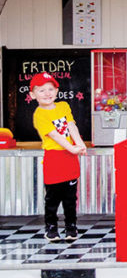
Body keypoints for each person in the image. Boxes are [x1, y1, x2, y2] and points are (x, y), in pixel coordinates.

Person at [30, 72, 87, 242]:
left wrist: (80, 144)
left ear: (56, 91)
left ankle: (71, 227)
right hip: (54, 158)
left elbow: (71, 126)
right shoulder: (39, 114)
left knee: (70, 197)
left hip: (70, 159)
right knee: (53, 198)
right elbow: (55, 136)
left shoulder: (63, 106)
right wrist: (72, 148)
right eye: (41, 90)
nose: (47, 93)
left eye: (50, 89)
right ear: (33, 95)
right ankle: (51, 228)